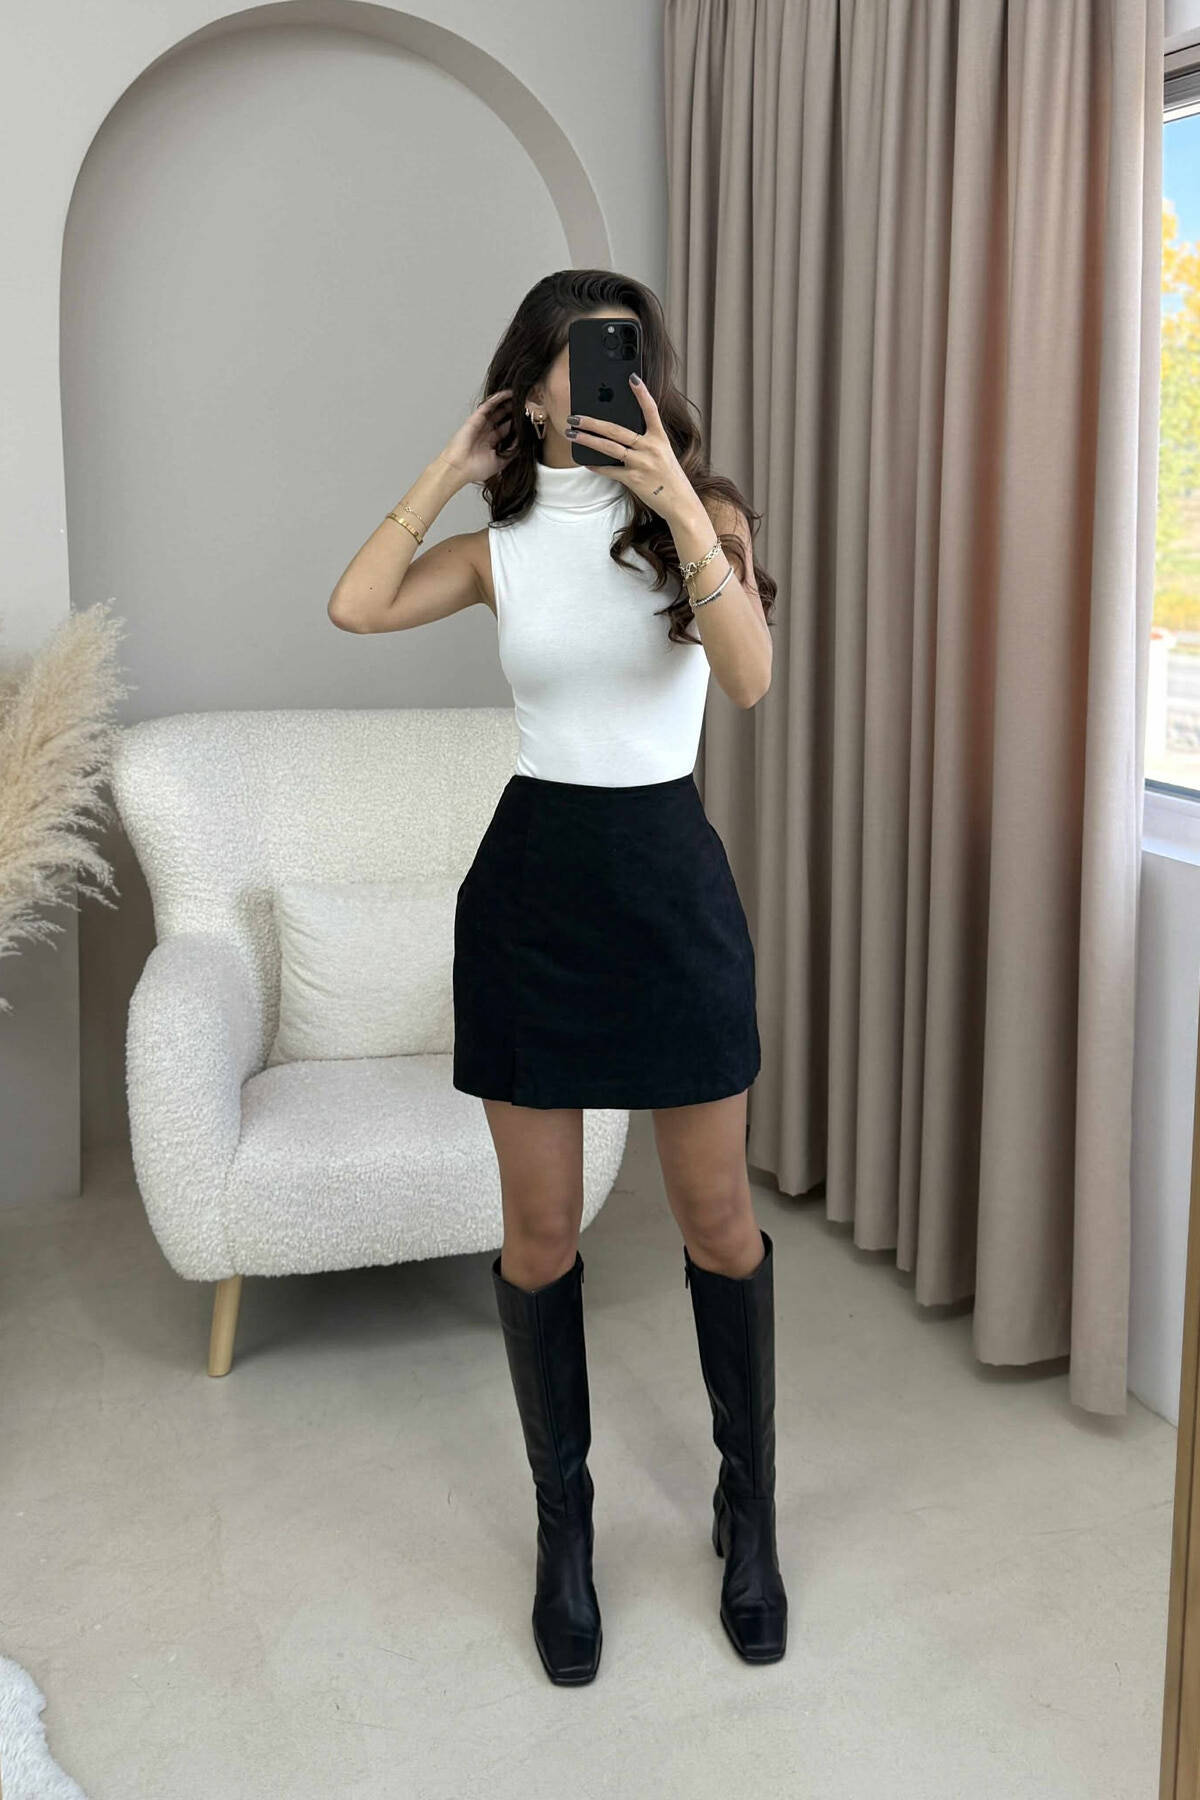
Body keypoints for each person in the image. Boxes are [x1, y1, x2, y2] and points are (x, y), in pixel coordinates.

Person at [328, 270, 787, 1685]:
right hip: (533, 898)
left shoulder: (706, 517)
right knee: (538, 1235)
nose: (592, 385)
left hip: (669, 891)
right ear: (527, 387)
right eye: (569, 364)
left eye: (619, 360)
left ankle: (750, 1510)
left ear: (647, 376)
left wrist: (678, 506)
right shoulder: (502, 542)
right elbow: (356, 606)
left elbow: (750, 680)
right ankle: (565, 1531)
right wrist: (446, 471)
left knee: (718, 1222)